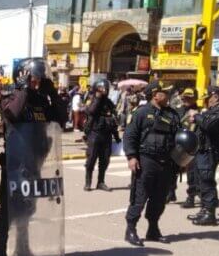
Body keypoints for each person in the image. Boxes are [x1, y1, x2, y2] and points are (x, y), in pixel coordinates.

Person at [0, 58, 56, 256]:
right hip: (14, 162)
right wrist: (22, 89)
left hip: (34, 161)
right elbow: (11, 113)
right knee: (8, 208)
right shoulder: (10, 94)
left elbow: (59, 117)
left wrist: (53, 93)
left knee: (28, 207)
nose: (36, 83)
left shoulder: (40, 100)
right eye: (33, 78)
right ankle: (0, 253)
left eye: (39, 79)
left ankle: (22, 247)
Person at [122, 81, 180, 246]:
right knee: (140, 196)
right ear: (155, 95)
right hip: (146, 160)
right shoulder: (141, 113)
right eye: (165, 93)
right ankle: (131, 229)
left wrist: (182, 160)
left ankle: (153, 229)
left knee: (159, 198)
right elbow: (130, 135)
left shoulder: (172, 114)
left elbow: (178, 138)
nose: (168, 95)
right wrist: (132, 157)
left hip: (166, 162)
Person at [187, 86, 219, 226]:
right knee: (201, 179)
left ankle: (210, 213)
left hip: (211, 150)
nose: (207, 102)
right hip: (203, 148)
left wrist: (196, 116)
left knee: (207, 180)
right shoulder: (215, 109)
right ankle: (204, 208)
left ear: (216, 96)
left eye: (208, 99)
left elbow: (209, 124)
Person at [83, 79, 119, 192]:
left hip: (107, 135)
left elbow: (113, 119)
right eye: (103, 89)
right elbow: (91, 111)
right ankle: (88, 182)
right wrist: (98, 98)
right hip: (95, 134)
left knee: (105, 160)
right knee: (91, 160)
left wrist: (116, 135)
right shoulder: (92, 100)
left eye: (106, 89)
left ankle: (101, 182)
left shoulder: (109, 103)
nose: (105, 91)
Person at [175, 88, 200, 208]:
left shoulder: (199, 112)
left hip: (192, 146)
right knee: (172, 171)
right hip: (177, 145)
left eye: (190, 97)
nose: (186, 100)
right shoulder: (178, 110)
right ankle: (170, 192)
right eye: (185, 97)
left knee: (192, 174)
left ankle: (191, 197)